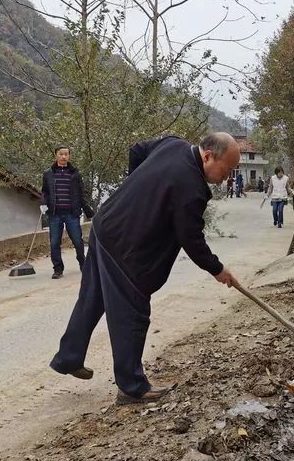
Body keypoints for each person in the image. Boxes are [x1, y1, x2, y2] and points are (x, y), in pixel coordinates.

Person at [49, 133, 241, 403]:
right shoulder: (191, 188)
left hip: (105, 227)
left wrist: (135, 191)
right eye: (228, 169)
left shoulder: (173, 145)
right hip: (127, 250)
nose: (228, 177)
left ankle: (68, 357)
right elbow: (191, 240)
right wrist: (218, 270)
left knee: (92, 299)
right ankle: (131, 386)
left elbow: (136, 150)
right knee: (133, 314)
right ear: (208, 155)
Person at [40, 146, 94, 279]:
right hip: (55, 214)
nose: (63, 157)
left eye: (66, 154)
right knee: (54, 242)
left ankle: (83, 264)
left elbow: (81, 194)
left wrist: (89, 212)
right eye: (61, 154)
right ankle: (58, 269)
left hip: (72, 213)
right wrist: (43, 204)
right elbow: (45, 192)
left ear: (69, 156)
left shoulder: (75, 174)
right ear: (56, 155)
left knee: (77, 241)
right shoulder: (48, 173)